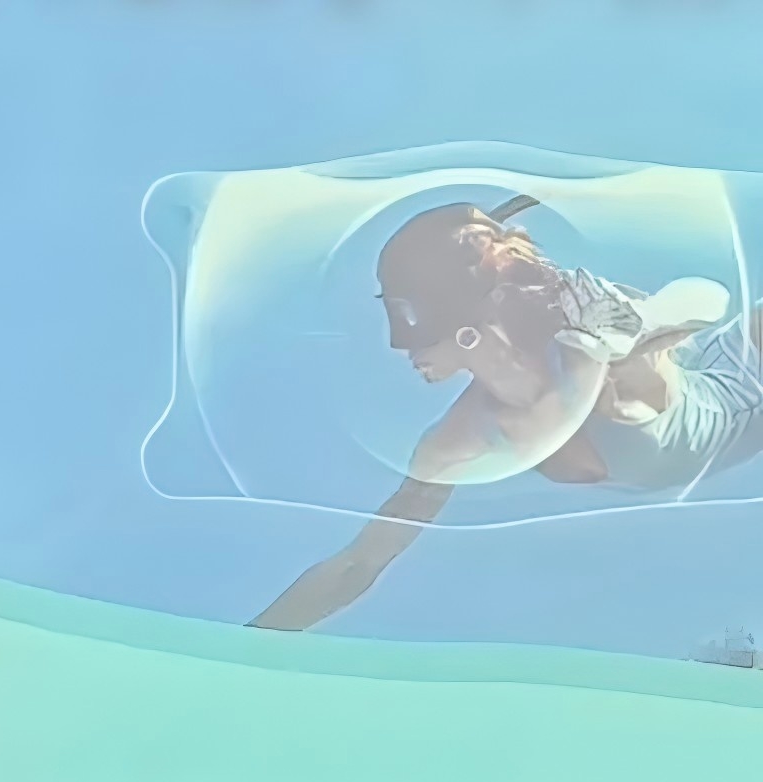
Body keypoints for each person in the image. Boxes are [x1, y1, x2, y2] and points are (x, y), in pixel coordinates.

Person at [252, 194, 763, 630]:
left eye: (409, 316)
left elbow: (704, 301)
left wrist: (637, 323)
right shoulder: (455, 442)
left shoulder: (587, 340)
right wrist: (254, 641)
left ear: (459, 318)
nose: (402, 346)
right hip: (698, 390)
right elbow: (360, 561)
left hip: (736, 387)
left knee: (624, 360)